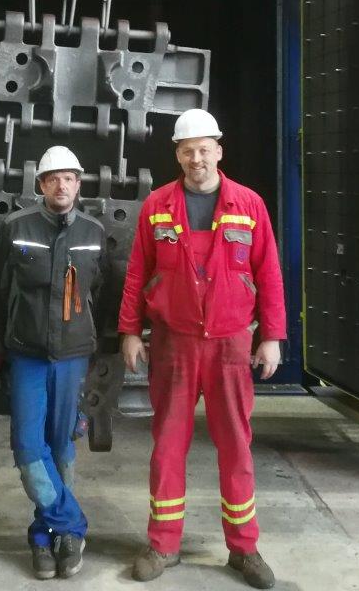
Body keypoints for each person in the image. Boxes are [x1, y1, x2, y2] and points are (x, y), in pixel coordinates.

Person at [118, 109, 286, 590]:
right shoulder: (157, 206)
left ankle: (244, 548)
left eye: (204, 149)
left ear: (219, 151)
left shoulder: (248, 205)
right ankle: (163, 544)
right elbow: (137, 271)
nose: (197, 158)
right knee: (168, 446)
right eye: (188, 150)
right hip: (173, 343)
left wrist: (271, 336)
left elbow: (269, 272)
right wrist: (129, 330)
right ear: (178, 155)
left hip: (231, 343)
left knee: (235, 446)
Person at [0, 146, 108, 580]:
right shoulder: (17, 227)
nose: (61, 185)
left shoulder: (93, 232)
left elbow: (101, 293)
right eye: (52, 178)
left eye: (69, 178)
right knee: (27, 445)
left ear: (79, 183)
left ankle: (45, 537)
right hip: (27, 353)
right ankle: (71, 525)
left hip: (72, 356)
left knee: (61, 446)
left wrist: (94, 344)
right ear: (40, 184)